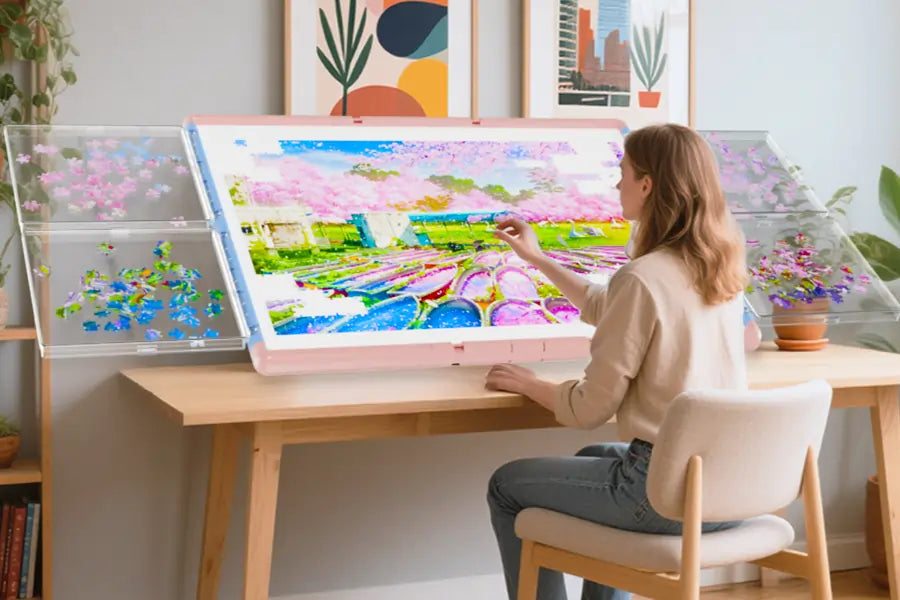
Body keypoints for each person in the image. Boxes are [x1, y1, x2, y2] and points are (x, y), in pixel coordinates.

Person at [484, 123, 748, 600]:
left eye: (622, 172)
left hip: (661, 496)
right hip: (729, 489)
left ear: (647, 184)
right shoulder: (720, 269)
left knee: (506, 486)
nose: (617, 183)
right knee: (593, 461)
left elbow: (589, 409)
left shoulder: (643, 278)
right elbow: (607, 303)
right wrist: (537, 258)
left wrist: (529, 384)